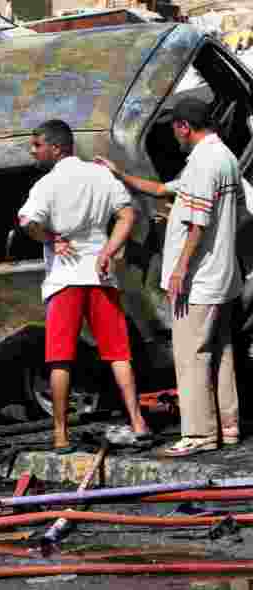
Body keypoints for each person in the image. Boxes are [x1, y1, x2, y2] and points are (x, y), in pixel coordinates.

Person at [97, 98, 243, 456]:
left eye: (174, 129)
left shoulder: (203, 164)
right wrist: (120, 176)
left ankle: (199, 435)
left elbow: (197, 222)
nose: (175, 136)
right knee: (219, 352)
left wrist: (179, 268)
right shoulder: (223, 156)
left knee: (191, 356)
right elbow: (164, 191)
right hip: (223, 276)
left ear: (183, 126)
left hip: (200, 280)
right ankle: (228, 425)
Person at [18, 119, 151, 452]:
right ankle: (138, 422)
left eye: (37, 145)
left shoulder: (46, 185)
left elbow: (27, 222)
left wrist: (51, 238)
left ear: (56, 147)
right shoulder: (100, 175)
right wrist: (109, 249)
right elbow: (127, 215)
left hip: (65, 279)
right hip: (101, 274)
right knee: (118, 353)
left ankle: (61, 434)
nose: (33, 151)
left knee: (60, 358)